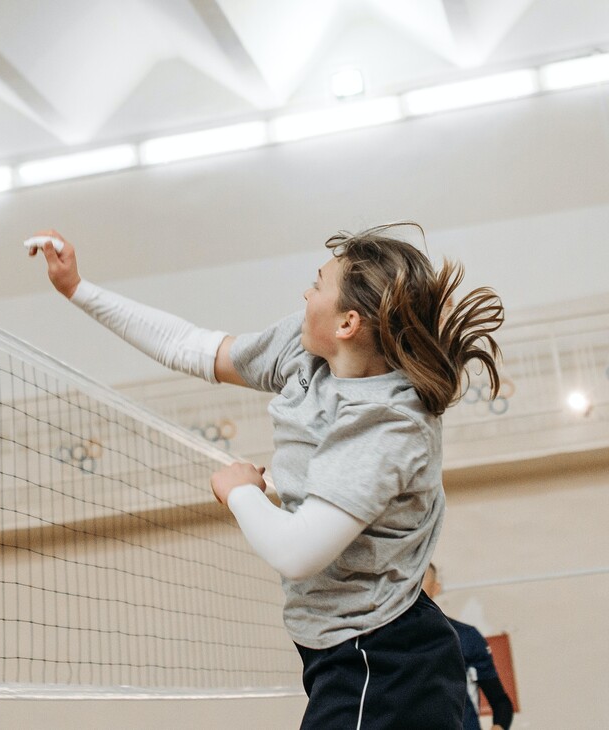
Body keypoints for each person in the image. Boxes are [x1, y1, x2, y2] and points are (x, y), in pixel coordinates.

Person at [30, 223, 503, 728]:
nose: (306, 292)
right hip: (351, 650)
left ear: (347, 322)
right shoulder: (306, 355)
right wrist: (78, 289)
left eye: (318, 283)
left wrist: (240, 493)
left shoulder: (387, 425)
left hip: (382, 659)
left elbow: (296, 552)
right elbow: (194, 346)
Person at [424, 564, 515, 730]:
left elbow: (500, 702)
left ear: (435, 588)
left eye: (420, 584)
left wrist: (498, 727)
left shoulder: (465, 637)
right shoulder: (382, 639)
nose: (413, 593)